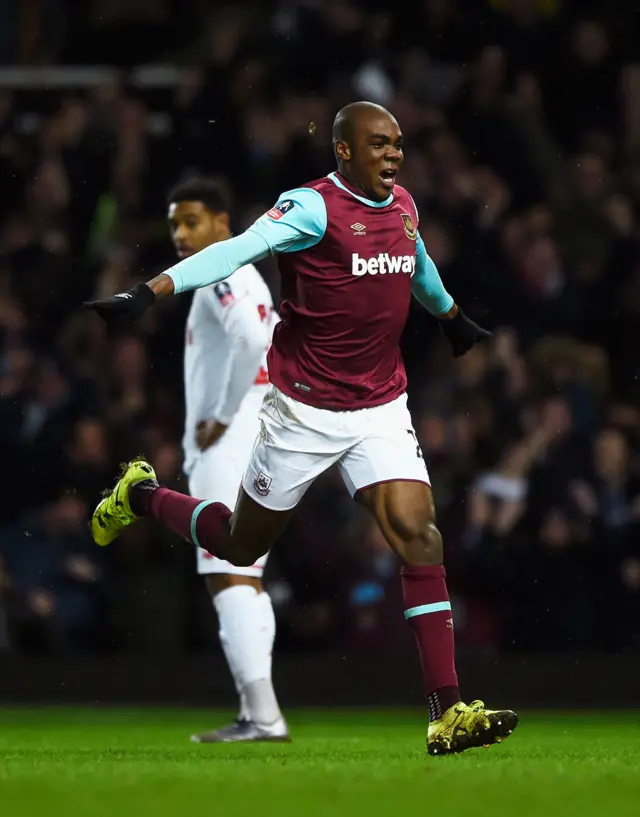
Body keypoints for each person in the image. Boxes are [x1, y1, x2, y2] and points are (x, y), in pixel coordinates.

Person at [85, 101, 518, 756]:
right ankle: (141, 495)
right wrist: (150, 292)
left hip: (379, 405)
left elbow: (415, 259)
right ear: (344, 151)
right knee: (235, 545)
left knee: (418, 534)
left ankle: (446, 711)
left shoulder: (402, 202)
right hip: (303, 410)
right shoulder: (310, 208)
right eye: (380, 144)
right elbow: (233, 252)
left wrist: (451, 315)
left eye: (398, 143)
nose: (395, 154)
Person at [171, 177, 288, 742]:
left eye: (192, 221)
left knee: (228, 574)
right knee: (246, 576)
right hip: (258, 433)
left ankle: (262, 715)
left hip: (232, 437)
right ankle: (260, 710)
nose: (181, 234)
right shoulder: (250, 275)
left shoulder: (221, 269)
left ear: (223, 224)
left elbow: (248, 341)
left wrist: (218, 416)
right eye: (174, 224)